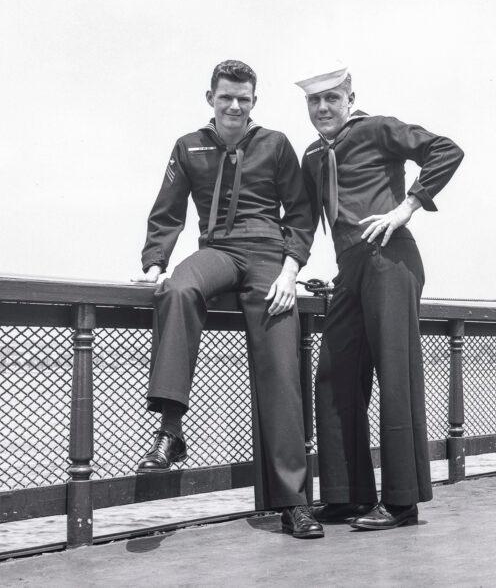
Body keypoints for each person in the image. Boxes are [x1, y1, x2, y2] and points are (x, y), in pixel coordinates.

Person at [131, 60, 323, 539]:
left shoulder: (276, 145)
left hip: (267, 257)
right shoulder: (189, 145)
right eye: (225, 98)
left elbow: (301, 211)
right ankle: (171, 432)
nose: (234, 106)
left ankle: (294, 503)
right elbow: (168, 210)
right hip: (217, 250)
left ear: (254, 101)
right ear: (210, 99)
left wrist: (291, 269)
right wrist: (155, 262)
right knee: (177, 289)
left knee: (281, 372)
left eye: (243, 98)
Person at [296, 67, 464, 530]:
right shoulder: (312, 155)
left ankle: (401, 504)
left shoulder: (376, 128)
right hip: (348, 271)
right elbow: (304, 221)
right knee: (333, 378)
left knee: (395, 375)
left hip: (391, 261)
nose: (324, 108)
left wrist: (407, 206)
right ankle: (347, 495)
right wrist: (287, 268)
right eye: (314, 102)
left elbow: (446, 149)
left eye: (332, 98)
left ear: (350, 97)